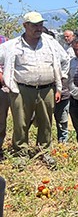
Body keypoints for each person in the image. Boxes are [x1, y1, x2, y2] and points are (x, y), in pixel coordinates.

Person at [0, 12, 66, 156]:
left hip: (47, 89)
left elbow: (65, 59)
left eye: (40, 25)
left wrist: (61, 82)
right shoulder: (12, 45)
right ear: (25, 25)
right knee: (21, 123)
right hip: (21, 90)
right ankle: (20, 153)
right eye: (34, 25)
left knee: (46, 122)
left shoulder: (50, 42)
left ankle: (44, 152)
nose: (38, 28)